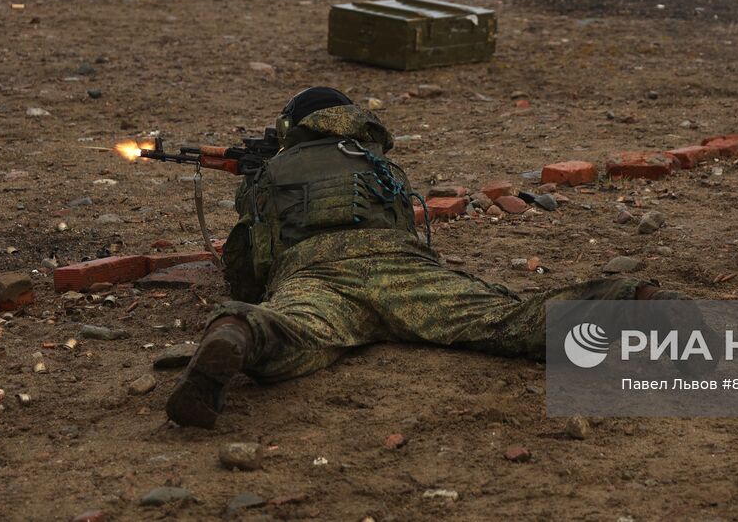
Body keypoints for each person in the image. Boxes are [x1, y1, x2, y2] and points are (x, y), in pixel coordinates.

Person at [166, 86, 682, 429]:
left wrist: (246, 288)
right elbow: (407, 230)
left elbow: (251, 263)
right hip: (402, 268)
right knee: (502, 320)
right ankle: (637, 302)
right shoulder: (375, 162)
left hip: (316, 275)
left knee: (287, 332)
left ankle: (234, 334)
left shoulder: (274, 173)